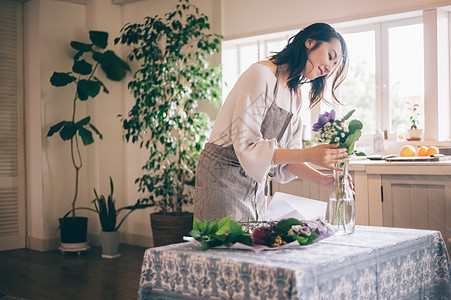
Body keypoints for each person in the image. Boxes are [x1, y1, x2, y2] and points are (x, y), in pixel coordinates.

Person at [194, 23, 349, 222]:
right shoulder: (261, 74)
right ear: (309, 42)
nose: (329, 68)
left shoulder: (295, 97)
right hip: (221, 176)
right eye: (330, 56)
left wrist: (323, 180)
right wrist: (311, 154)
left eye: (335, 66)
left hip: (254, 185)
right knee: (223, 248)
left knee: (251, 249)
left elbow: (285, 158)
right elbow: (247, 145)